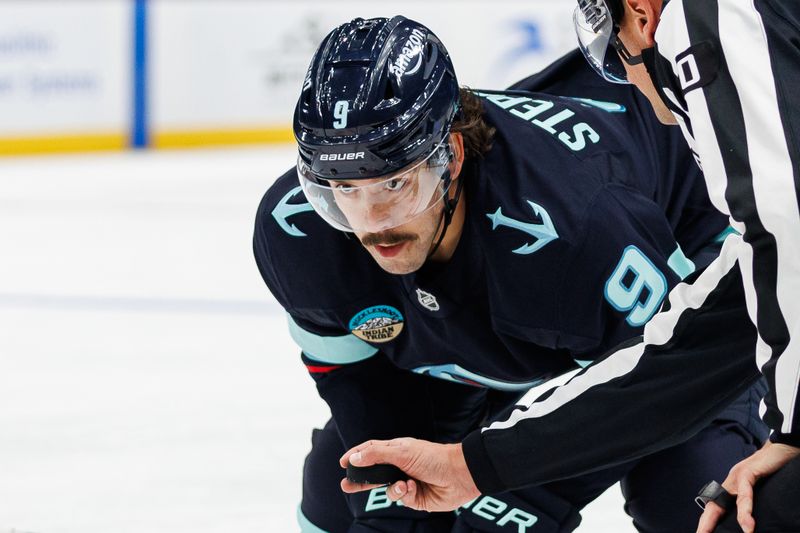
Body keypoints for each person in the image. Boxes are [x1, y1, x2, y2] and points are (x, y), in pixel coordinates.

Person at [254, 16, 767, 532]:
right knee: (340, 501)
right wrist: (395, 483)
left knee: (694, 507)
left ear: (449, 156)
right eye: (344, 192)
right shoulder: (296, 231)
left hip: (672, 280)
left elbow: (658, 386)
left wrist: (509, 491)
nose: (374, 224)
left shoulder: (578, 232)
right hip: (523, 320)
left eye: (394, 186)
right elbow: (357, 386)